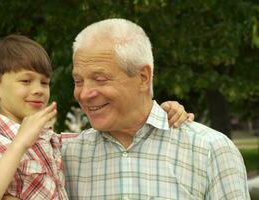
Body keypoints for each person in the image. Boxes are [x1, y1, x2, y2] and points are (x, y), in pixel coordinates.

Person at [0, 34, 191, 200]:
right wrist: (19, 144)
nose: (38, 90)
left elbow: (109, 131)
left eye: (44, 82)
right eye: (25, 81)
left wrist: (161, 111)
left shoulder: (51, 140)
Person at [62, 18, 250, 199]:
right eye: (78, 81)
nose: (84, 93)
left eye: (100, 79)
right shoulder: (67, 156)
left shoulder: (210, 150)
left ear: (143, 77)